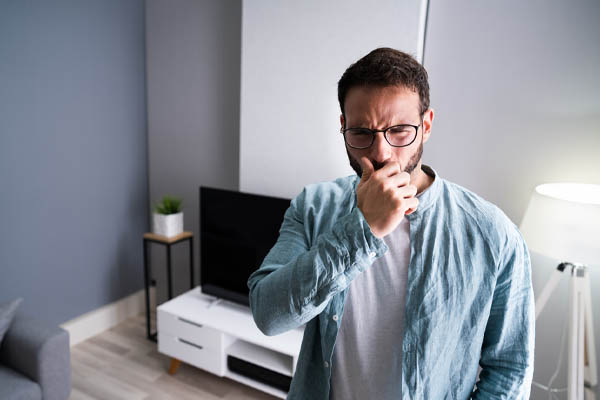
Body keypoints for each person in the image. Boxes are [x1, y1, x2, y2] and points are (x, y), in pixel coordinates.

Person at [247, 47, 535, 399]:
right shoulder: (313, 206)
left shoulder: (494, 234)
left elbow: (509, 368)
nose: (381, 152)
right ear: (343, 128)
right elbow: (268, 315)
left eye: (399, 130)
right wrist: (361, 230)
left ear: (426, 125)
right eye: (361, 133)